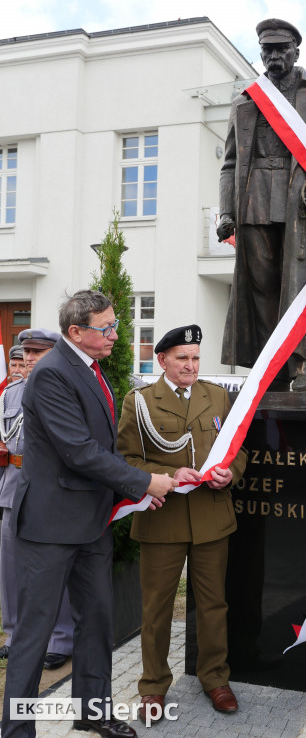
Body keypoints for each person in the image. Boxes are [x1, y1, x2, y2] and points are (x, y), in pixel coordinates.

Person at [1, 290, 176, 738]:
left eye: (115, 325)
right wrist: (143, 482)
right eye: (107, 328)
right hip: (49, 526)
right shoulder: (52, 374)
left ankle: (93, 712)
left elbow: (103, 450)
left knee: (96, 623)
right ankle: (16, 730)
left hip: (90, 523)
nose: (117, 335)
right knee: (33, 635)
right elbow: (78, 451)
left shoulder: (90, 368)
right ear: (75, 331)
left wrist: (137, 491)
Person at [117, 325, 247, 723]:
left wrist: (231, 473)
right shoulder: (139, 401)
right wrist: (171, 475)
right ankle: (153, 686)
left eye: (194, 357)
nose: (190, 365)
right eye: (181, 359)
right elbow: (127, 460)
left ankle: (215, 678)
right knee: (156, 609)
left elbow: (236, 448)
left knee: (213, 604)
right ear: (162, 361)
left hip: (211, 515)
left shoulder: (217, 396)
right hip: (164, 517)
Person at [217, 18, 306, 391]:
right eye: (267, 50)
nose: (274, 56)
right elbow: (230, 163)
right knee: (262, 290)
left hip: (300, 207)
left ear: (296, 51)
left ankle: (305, 364)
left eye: (281, 49)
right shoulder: (246, 101)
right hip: (254, 203)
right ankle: (272, 366)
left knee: (300, 285)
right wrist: (227, 211)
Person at [0, 329, 74, 670]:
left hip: (49, 488)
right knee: (11, 565)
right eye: (27, 351)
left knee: (52, 566)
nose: (29, 357)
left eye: (38, 352)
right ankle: (15, 634)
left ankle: (60, 638)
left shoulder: (65, 390)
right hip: (15, 483)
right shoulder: (10, 393)